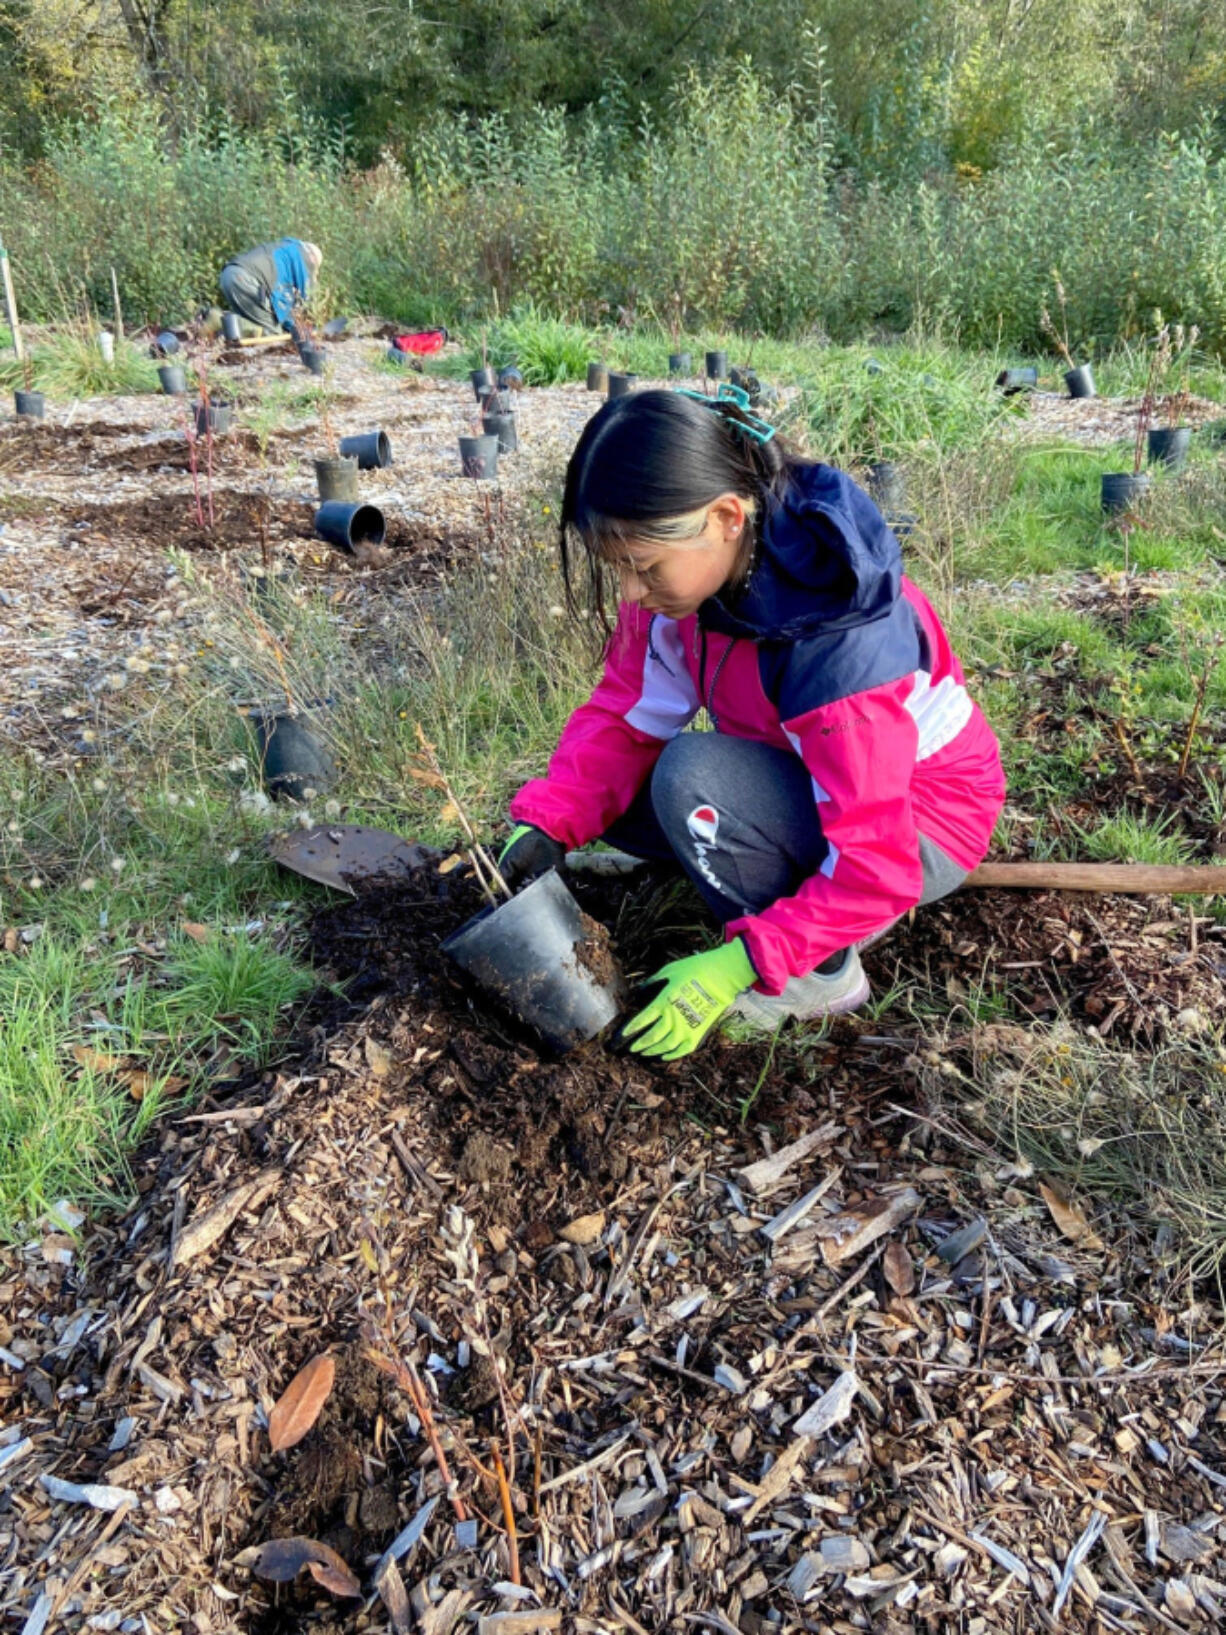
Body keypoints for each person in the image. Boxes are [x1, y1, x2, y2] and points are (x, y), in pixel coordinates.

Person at [498, 387, 1006, 1061]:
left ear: (727, 516)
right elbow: (626, 713)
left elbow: (873, 861)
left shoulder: (836, 642)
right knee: (623, 787)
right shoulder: (689, 585)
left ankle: (821, 969)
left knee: (688, 777)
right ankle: (781, 883)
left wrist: (740, 963)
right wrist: (550, 822)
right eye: (616, 568)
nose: (628, 592)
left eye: (643, 567)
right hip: (818, 774)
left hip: (918, 822)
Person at [218, 239, 322, 338]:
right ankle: (218, 323)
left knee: (249, 320)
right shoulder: (302, 258)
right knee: (274, 334)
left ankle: (217, 322)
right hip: (246, 279)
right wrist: (300, 328)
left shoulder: (284, 249)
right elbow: (300, 297)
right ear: (312, 258)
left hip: (229, 273)